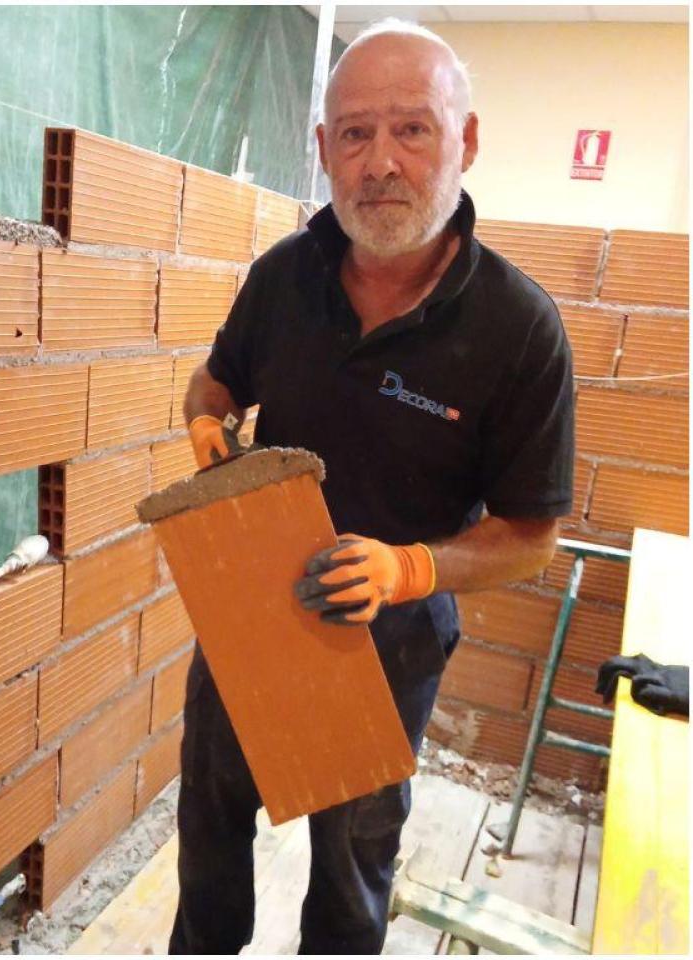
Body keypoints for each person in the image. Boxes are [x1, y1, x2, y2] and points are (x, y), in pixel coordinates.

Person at [174, 20, 574, 953]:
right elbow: (219, 378)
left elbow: (531, 534)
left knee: (352, 876)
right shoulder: (283, 277)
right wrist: (205, 418)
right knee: (208, 841)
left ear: (465, 141)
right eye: (354, 134)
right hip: (251, 612)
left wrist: (405, 572)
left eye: (413, 130)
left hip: (389, 646)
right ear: (323, 151)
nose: (380, 162)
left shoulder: (520, 330)